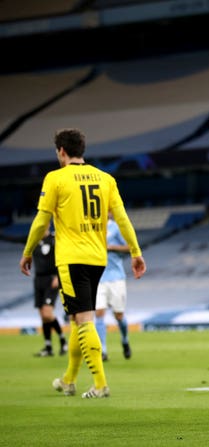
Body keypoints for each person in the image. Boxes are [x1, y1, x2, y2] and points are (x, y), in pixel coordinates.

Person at [19, 128, 146, 399]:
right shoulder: (105, 179)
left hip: (71, 259)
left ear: (61, 151)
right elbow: (122, 218)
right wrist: (136, 251)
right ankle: (68, 380)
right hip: (97, 258)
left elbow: (42, 221)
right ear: (82, 150)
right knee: (78, 319)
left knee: (83, 318)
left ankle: (100, 384)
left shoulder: (55, 178)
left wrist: (28, 251)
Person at [95, 213, 132, 362]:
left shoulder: (116, 228)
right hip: (98, 278)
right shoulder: (92, 228)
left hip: (116, 277)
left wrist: (110, 247)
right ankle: (102, 350)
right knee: (99, 313)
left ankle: (124, 339)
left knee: (119, 316)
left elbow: (130, 247)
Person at [31, 224, 67, 357]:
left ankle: (63, 340)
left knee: (47, 313)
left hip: (51, 279)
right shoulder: (33, 240)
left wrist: (58, 275)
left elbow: (62, 256)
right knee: (43, 315)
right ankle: (48, 347)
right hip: (38, 280)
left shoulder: (54, 239)